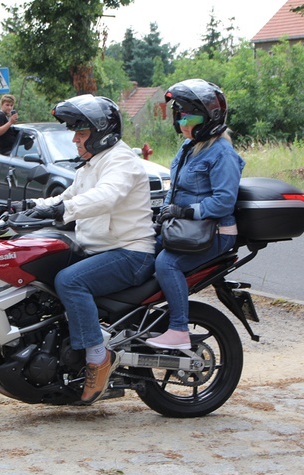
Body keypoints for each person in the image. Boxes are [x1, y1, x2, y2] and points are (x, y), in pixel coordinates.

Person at [21, 94, 156, 404]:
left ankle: (98, 357)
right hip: (100, 249)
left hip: (130, 253)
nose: (74, 140)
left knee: (70, 280)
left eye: (80, 133)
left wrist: (60, 211)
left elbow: (106, 197)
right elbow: (66, 196)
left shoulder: (121, 161)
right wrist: (26, 206)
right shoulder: (92, 165)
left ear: (99, 133)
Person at [147, 79, 245, 350]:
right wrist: (163, 215)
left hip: (215, 233)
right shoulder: (188, 148)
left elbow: (224, 202)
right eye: (179, 115)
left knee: (168, 263)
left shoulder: (222, 152)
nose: (182, 122)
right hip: (183, 228)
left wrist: (188, 210)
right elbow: (174, 188)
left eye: (188, 116)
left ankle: (179, 329)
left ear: (209, 117)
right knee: (140, 251)